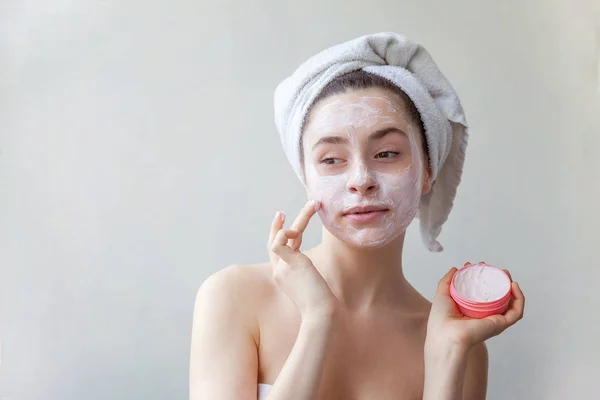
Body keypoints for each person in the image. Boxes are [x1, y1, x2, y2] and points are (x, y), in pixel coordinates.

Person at [189, 32, 525, 400]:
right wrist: (319, 319)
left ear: (428, 170)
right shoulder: (235, 298)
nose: (361, 180)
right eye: (332, 159)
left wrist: (444, 360)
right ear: (307, 178)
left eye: (386, 153)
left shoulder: (462, 344)